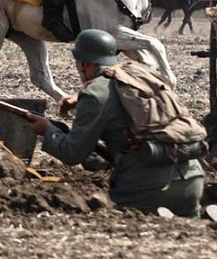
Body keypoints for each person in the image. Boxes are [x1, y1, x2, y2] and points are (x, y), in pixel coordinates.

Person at [27, 29, 205, 218]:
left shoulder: (93, 95)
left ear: (84, 64)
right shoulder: (138, 73)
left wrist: (47, 130)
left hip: (146, 187)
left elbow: (73, 153)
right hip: (193, 177)